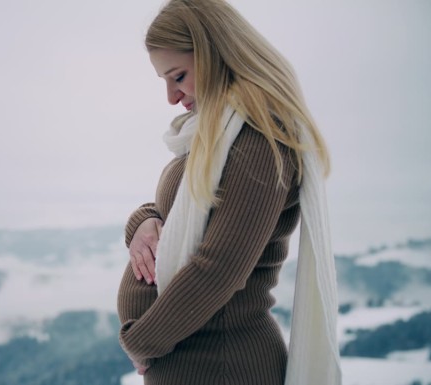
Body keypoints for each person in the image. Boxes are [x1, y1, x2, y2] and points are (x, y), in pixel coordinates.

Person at [116, 1, 342, 384]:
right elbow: (173, 211)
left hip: (223, 364)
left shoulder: (258, 141)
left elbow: (218, 269)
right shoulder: (216, 133)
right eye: (165, 81)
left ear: (214, 52)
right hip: (198, 362)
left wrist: (142, 342)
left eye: (179, 76)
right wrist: (143, 221)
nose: (172, 97)